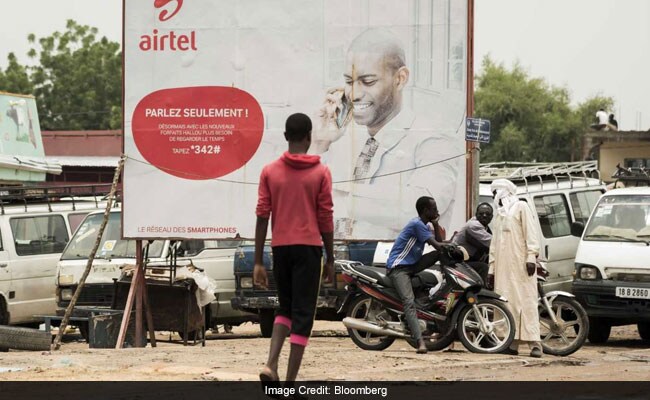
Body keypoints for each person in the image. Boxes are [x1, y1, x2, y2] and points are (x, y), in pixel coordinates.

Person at [312, 27, 461, 239]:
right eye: (349, 81)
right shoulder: (347, 141)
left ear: (400, 78)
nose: (353, 94)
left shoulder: (434, 141)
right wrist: (319, 144)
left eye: (368, 81)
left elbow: (422, 207)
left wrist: (338, 197)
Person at [253, 113, 335, 385]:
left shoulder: (269, 171)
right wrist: (331, 258)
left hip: (281, 249)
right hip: (309, 249)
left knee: (284, 308)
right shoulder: (321, 172)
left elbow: (262, 216)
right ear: (309, 137)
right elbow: (325, 217)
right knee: (303, 316)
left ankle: (270, 365)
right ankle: (289, 383)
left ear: (286, 136)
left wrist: (258, 261)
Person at [488, 179, 542, 358]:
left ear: (504, 192)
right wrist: (491, 270)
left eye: (496, 193)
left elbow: (531, 234)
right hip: (503, 269)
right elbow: (494, 245)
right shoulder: (499, 215)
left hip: (521, 266)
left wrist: (531, 257)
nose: (494, 197)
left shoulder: (521, 207)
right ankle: (511, 343)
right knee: (506, 303)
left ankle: (535, 344)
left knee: (526, 303)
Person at [386, 196, 445, 354]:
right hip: (399, 268)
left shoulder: (425, 225)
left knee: (439, 255)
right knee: (408, 302)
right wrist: (448, 246)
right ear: (425, 210)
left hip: (412, 266)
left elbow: (440, 245)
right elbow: (438, 245)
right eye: (434, 209)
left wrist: (436, 224)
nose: (437, 211)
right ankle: (420, 342)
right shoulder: (417, 224)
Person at [452, 202, 493, 282]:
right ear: (476, 214)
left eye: (487, 214)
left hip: (466, 260)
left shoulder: (485, 227)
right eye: (481, 213)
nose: (484, 215)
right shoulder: (474, 225)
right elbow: (493, 243)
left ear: (491, 217)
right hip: (458, 262)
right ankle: (481, 289)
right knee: (484, 267)